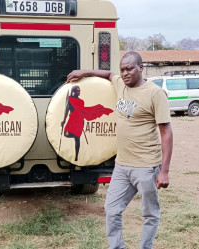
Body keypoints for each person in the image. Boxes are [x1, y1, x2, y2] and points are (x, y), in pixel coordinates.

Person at [66, 51, 173, 249]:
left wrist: (164, 171)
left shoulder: (154, 93)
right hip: (122, 165)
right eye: (122, 69)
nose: (125, 73)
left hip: (146, 166)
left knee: (150, 214)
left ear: (141, 68)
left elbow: (166, 133)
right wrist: (84, 72)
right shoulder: (120, 84)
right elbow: (108, 74)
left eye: (130, 69)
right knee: (111, 209)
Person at [61, 85, 113, 161]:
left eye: (79, 90)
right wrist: (64, 121)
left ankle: (76, 157)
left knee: (77, 139)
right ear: (73, 91)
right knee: (66, 134)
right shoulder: (69, 100)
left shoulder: (81, 101)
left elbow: (81, 111)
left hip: (79, 120)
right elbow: (66, 111)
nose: (79, 92)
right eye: (77, 91)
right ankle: (75, 137)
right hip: (71, 120)